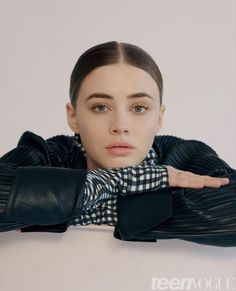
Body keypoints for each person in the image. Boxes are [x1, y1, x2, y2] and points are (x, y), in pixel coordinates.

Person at [0, 41, 235, 247]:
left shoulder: (184, 156)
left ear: (159, 117)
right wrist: (122, 181)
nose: (121, 125)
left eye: (139, 108)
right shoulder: (47, 154)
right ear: (74, 117)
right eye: (100, 107)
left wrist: (61, 207)